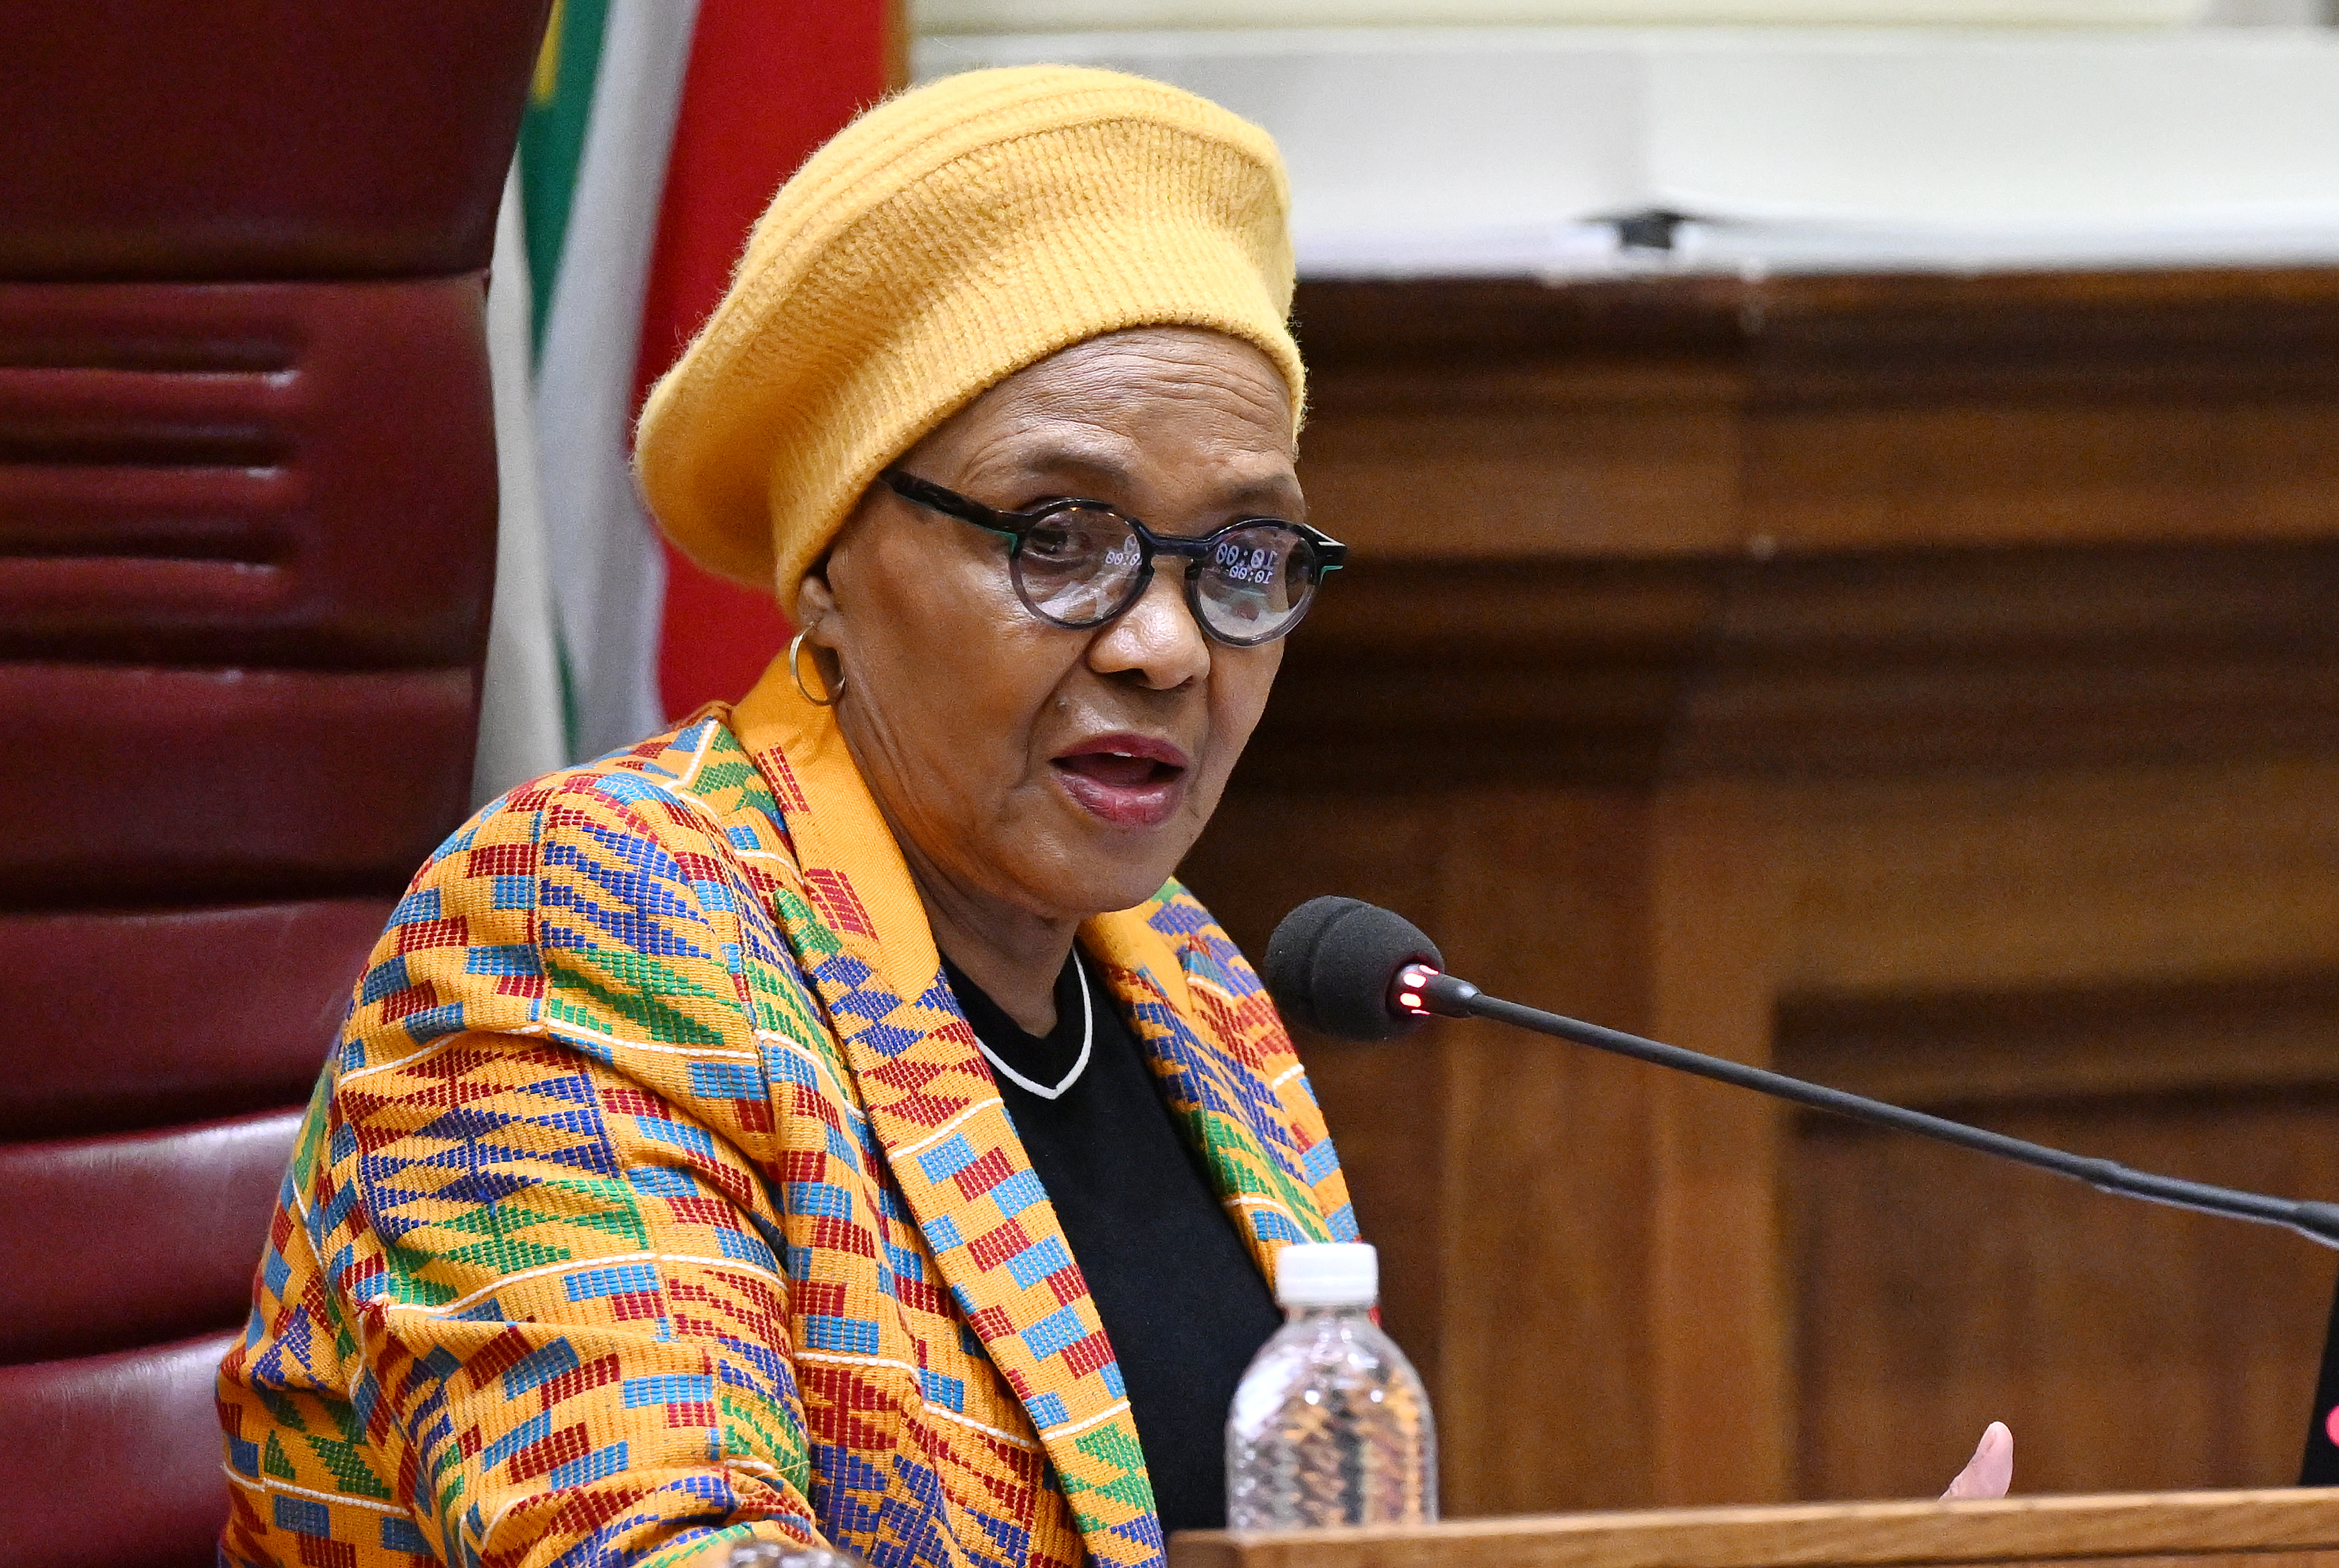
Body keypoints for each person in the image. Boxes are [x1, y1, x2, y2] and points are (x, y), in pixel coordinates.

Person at [215, 64, 2010, 1568]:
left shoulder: (1197, 996)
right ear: (833, 562)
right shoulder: (583, 920)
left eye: (1241, 556)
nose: (1165, 644)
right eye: (1057, 536)